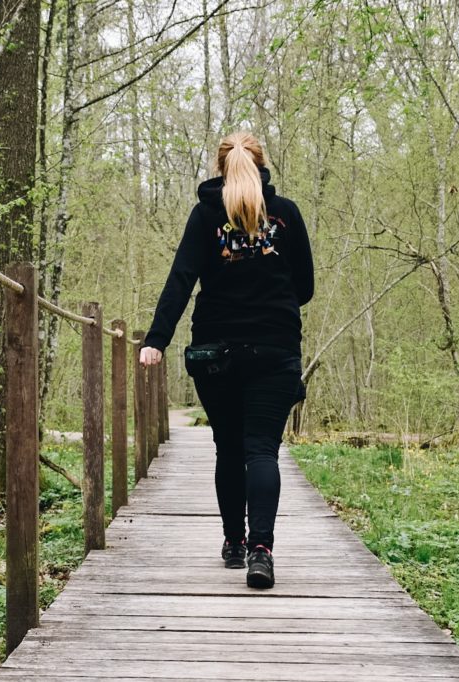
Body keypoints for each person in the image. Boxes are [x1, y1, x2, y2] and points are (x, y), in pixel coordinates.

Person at [139, 131, 314, 589]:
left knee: (229, 448)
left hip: (217, 353)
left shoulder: (204, 216)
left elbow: (181, 280)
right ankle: (262, 550)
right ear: (262, 165)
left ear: (222, 169)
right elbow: (307, 287)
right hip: (276, 351)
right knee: (261, 450)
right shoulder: (287, 214)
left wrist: (156, 339)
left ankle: (233, 543)